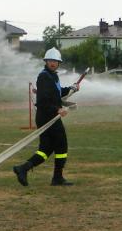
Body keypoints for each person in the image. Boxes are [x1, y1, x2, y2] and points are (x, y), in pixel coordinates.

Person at [13, 48, 80, 186]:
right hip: (48, 116)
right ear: (46, 61)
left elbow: (57, 93)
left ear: (59, 63)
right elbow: (43, 100)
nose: (53, 63)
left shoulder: (52, 76)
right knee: (61, 146)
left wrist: (72, 88)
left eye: (55, 61)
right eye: (50, 61)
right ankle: (57, 178)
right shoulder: (44, 76)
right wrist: (57, 109)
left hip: (47, 116)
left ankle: (23, 169)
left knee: (46, 149)